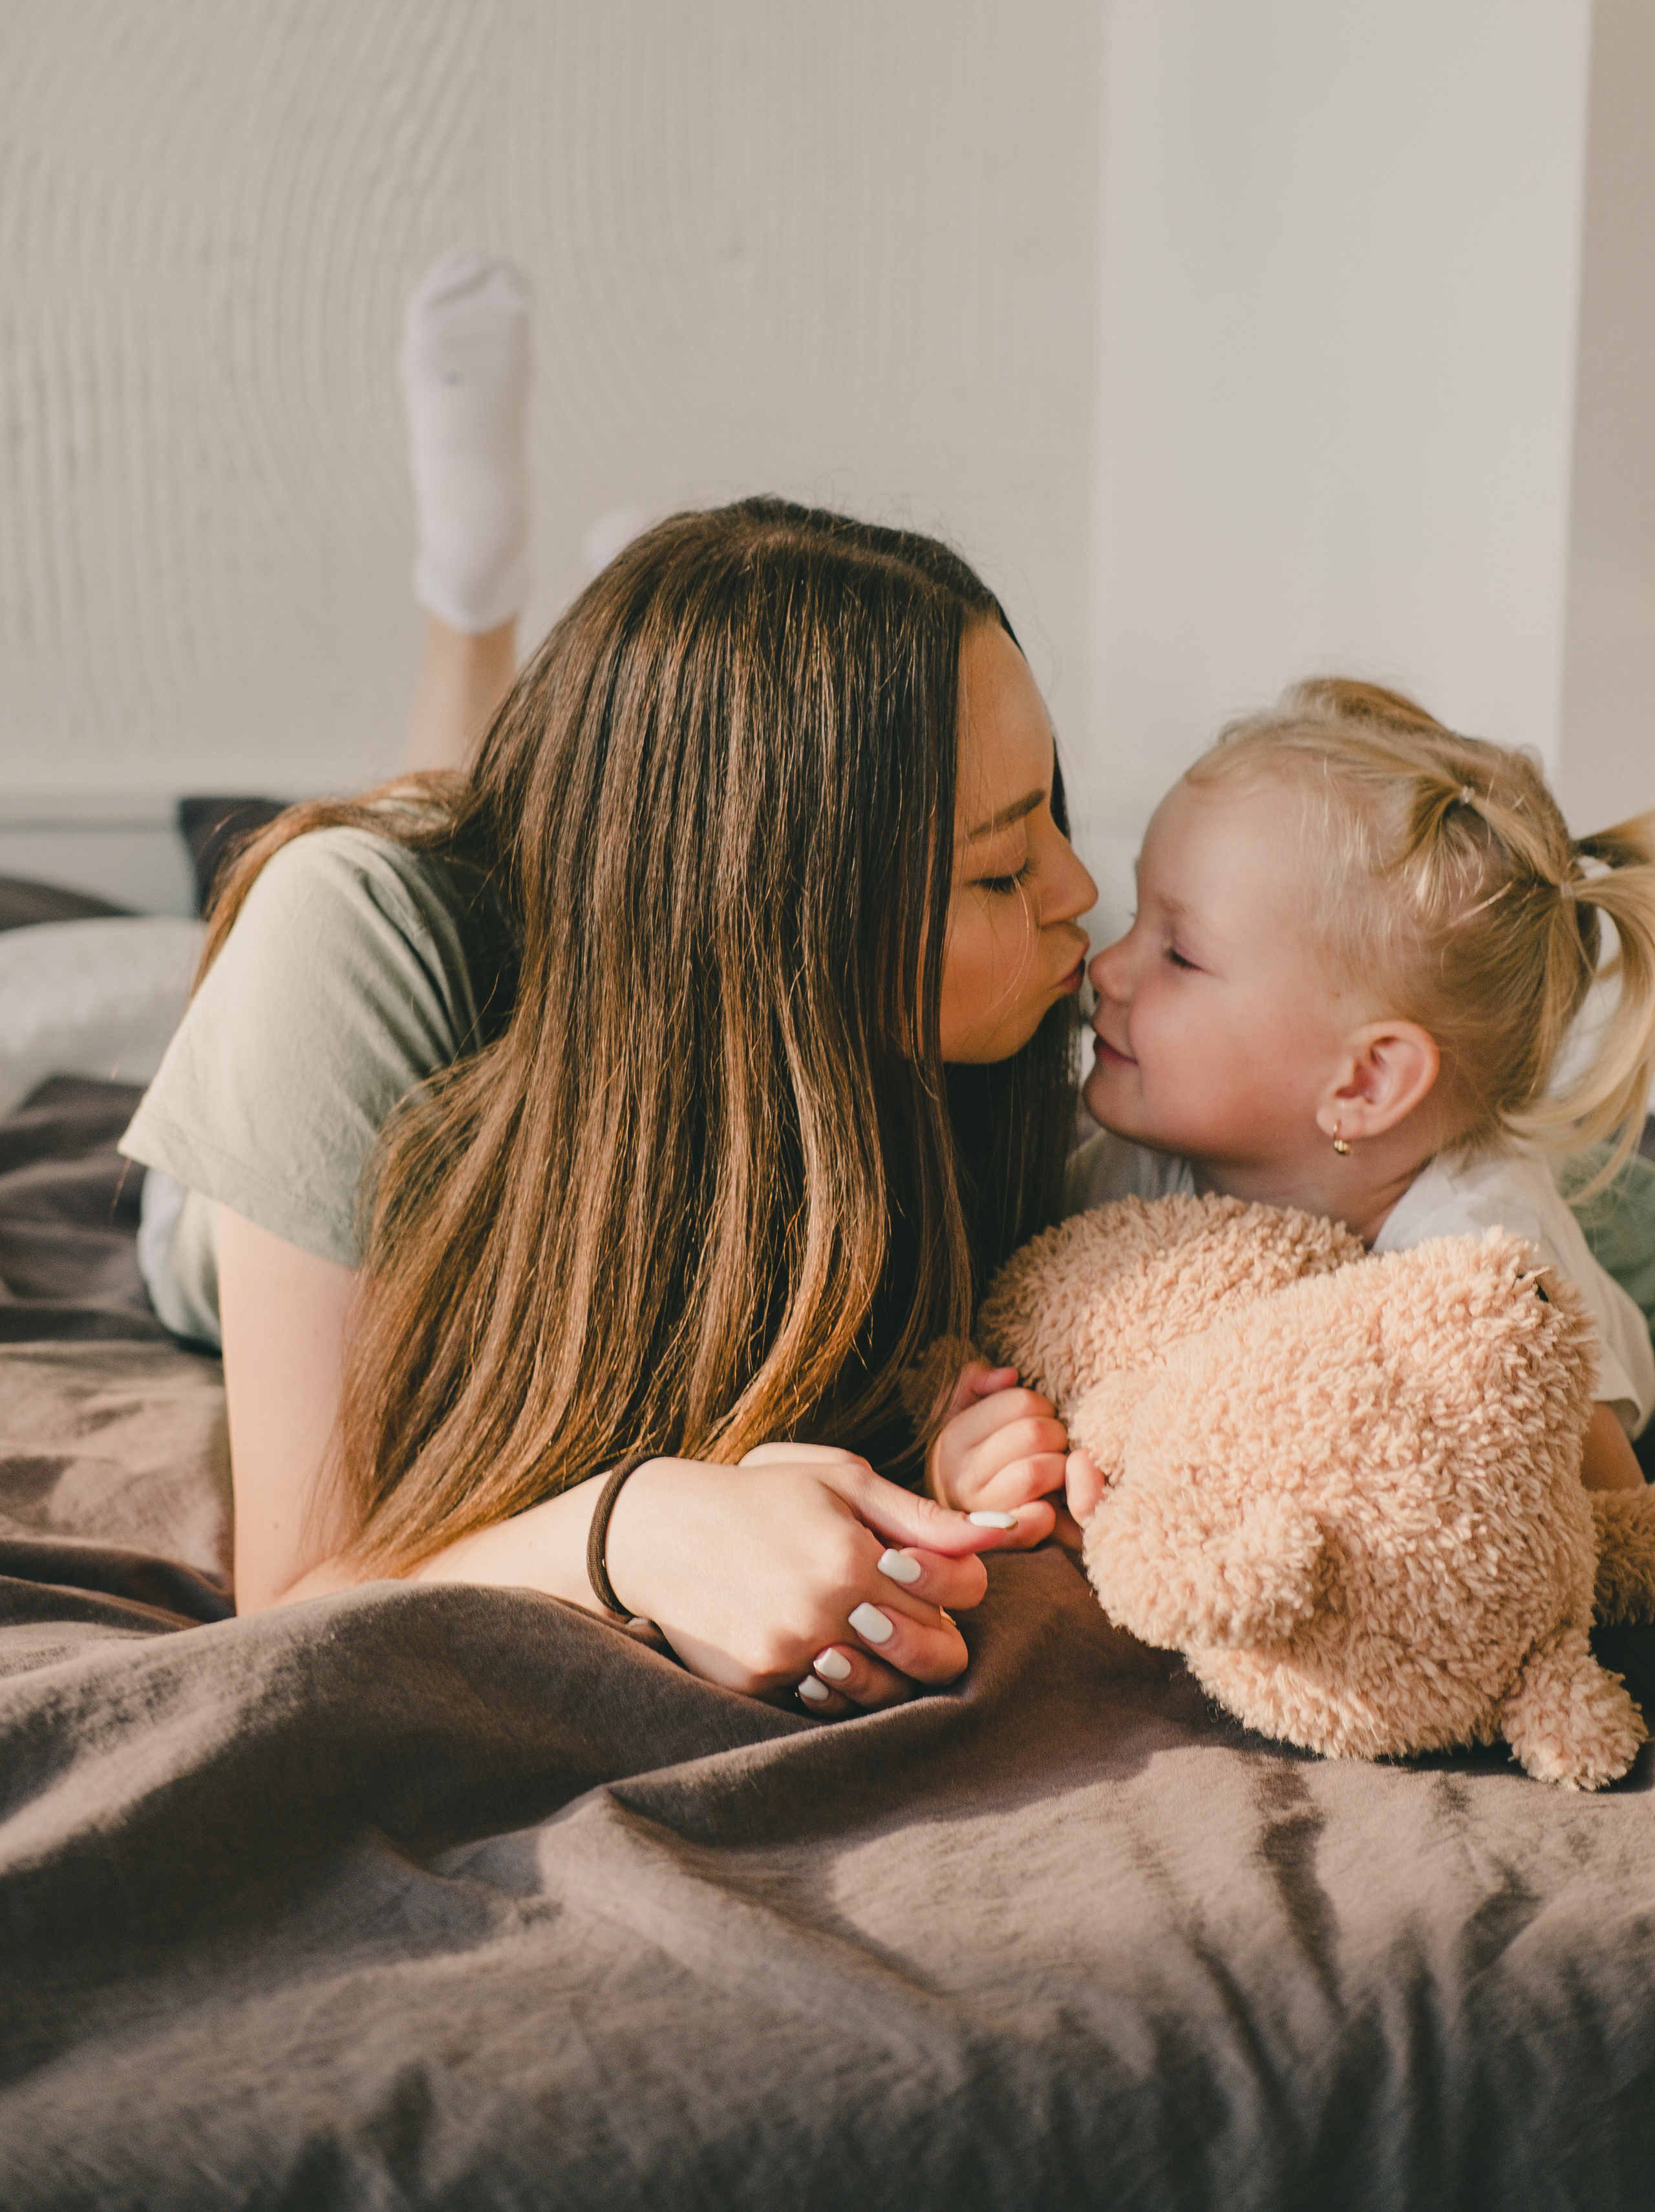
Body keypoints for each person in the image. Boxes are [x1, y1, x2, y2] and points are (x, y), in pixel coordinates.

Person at [122, 253, 1100, 1717]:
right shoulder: (344, 950)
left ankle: (652, 706)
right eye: (997, 870)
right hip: (282, 1186)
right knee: (427, 838)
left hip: (651, 937)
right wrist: (626, 1530)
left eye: (1057, 827)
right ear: (782, 924)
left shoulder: (950, 1044)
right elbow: (303, 1583)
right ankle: (474, 598)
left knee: (548, 832)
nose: (1080, 899)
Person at [937, 677, 1655, 1526]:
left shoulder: (1489, 1267)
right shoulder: (1134, 1165)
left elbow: (1608, 1528)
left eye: (1180, 956)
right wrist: (973, 1458)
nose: (1105, 969)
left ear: (1363, 1083)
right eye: (1135, 918)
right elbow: (1033, 1343)